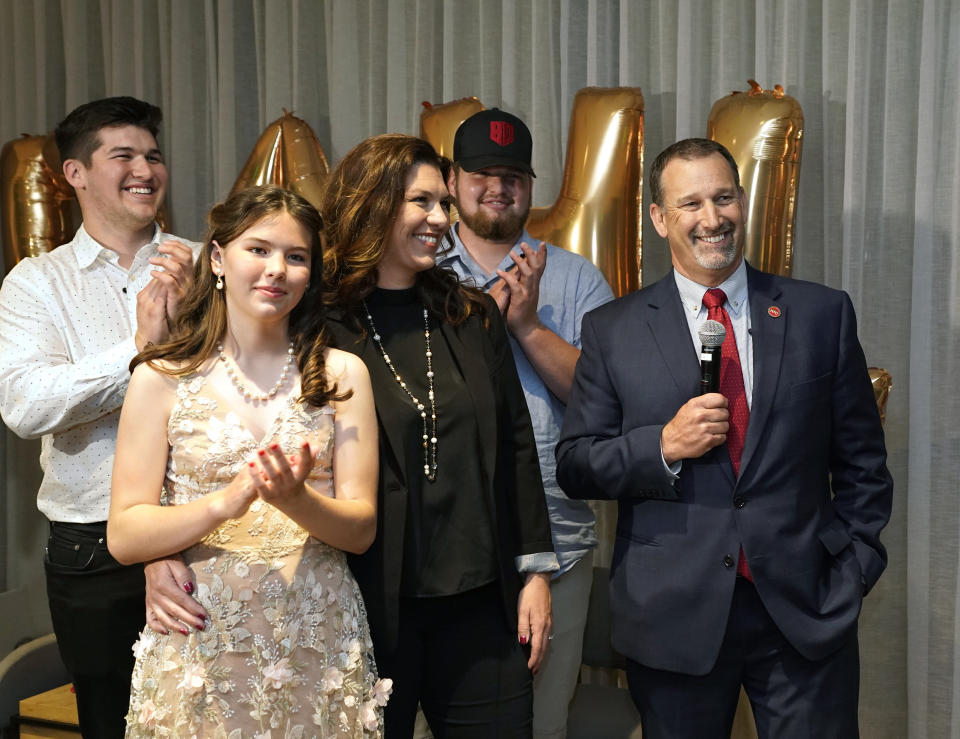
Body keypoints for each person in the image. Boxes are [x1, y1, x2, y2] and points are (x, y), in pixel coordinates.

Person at [555, 138, 894, 738]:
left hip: (806, 612)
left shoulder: (821, 314)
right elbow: (577, 464)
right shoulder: (612, 330)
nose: (711, 219)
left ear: (743, 202)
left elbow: (864, 461)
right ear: (660, 219)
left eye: (723, 198)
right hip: (673, 620)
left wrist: (854, 567)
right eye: (690, 204)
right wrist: (662, 445)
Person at [106, 185, 389, 736]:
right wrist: (225, 502)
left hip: (317, 637)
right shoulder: (160, 378)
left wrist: (296, 500)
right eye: (258, 249)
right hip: (202, 641)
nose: (276, 269)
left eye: (296, 256)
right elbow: (125, 534)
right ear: (217, 259)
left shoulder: (342, 375)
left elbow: (361, 530)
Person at [319, 133, 557, 738]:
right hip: (367, 604)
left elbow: (516, 446)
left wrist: (535, 572)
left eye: (443, 204)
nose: (440, 218)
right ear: (370, 205)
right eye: (421, 202)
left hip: (482, 604)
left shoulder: (471, 315)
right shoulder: (317, 327)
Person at [0, 96, 200, 738]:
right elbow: (26, 405)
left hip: (204, 530)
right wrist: (139, 353)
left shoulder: (208, 266)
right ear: (75, 174)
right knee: (112, 722)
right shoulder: (36, 283)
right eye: (124, 155)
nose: (145, 168)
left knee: (212, 717)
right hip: (90, 545)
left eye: (153, 155)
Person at [438, 108, 614, 738]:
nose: (498, 187)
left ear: (530, 186)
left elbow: (602, 400)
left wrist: (529, 326)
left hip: (556, 545)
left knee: (541, 725)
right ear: (452, 180)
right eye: (483, 172)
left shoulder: (574, 278)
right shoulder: (420, 268)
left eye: (513, 175)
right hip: (439, 550)